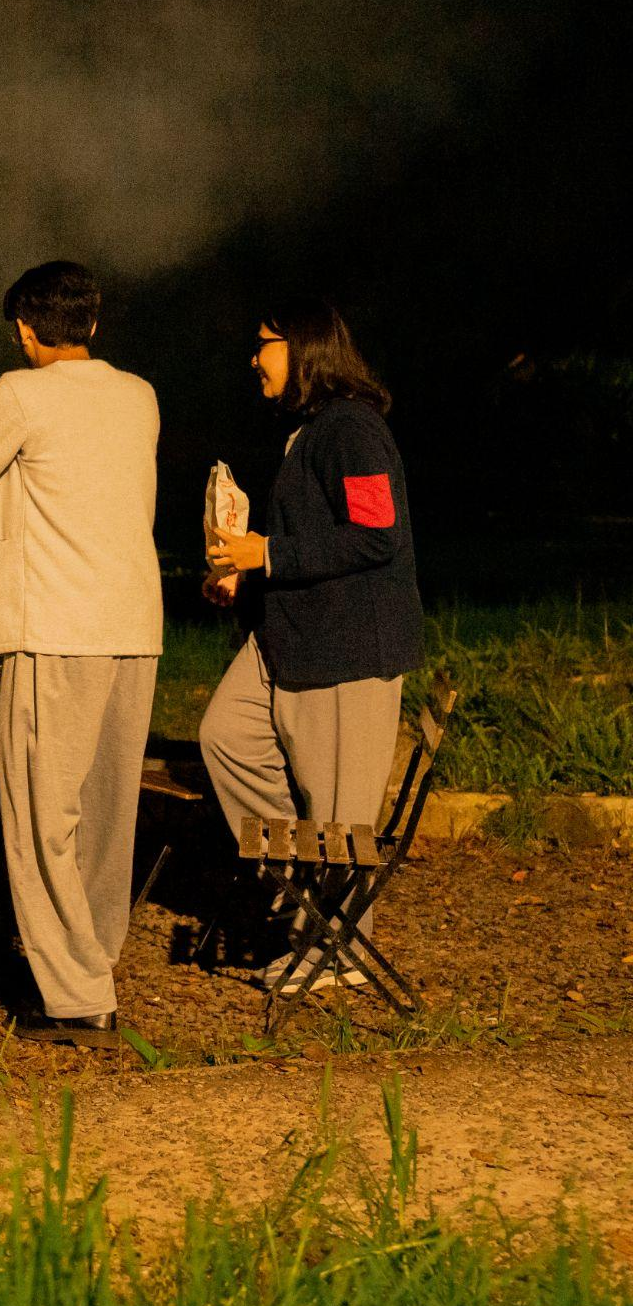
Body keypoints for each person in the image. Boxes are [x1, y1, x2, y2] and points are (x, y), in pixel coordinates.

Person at [0, 262, 162, 1048]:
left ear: (24, 329)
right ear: (93, 322)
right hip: (133, 628)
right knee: (109, 813)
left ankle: (76, 997)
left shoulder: (19, 393)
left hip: (56, 630)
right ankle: (94, 961)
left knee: (43, 816)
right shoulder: (140, 396)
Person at [202, 301, 422, 995]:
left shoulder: (352, 429)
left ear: (302, 348)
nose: (254, 359)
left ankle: (337, 945)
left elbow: (376, 534)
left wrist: (268, 553)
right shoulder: (311, 429)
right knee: (226, 736)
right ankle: (298, 879)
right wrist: (249, 575)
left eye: (264, 344)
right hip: (295, 637)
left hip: (348, 647)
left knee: (340, 809)